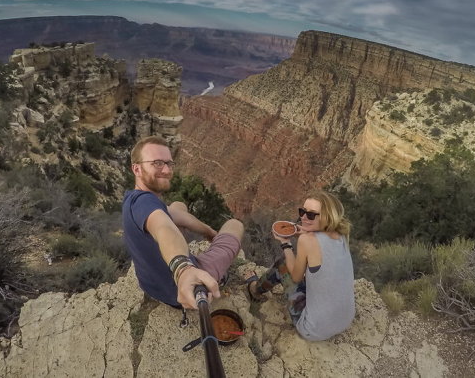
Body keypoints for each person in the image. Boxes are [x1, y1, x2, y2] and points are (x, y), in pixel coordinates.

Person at [122, 136, 244, 309]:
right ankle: (214, 275)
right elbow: (163, 227)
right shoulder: (145, 203)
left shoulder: (133, 199)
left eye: (169, 163)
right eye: (157, 163)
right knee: (234, 224)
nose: (166, 170)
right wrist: (183, 269)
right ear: (137, 169)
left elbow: (170, 215)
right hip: (181, 289)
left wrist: (208, 231)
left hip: (152, 285)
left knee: (178, 206)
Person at [245, 191, 355, 341]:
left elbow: (296, 277)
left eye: (311, 215)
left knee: (282, 265)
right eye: (302, 211)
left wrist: (286, 244)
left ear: (327, 217)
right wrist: (301, 230)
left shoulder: (306, 240)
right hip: (345, 320)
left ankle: (254, 290)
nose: (303, 217)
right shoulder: (341, 234)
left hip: (312, 329)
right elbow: (320, 241)